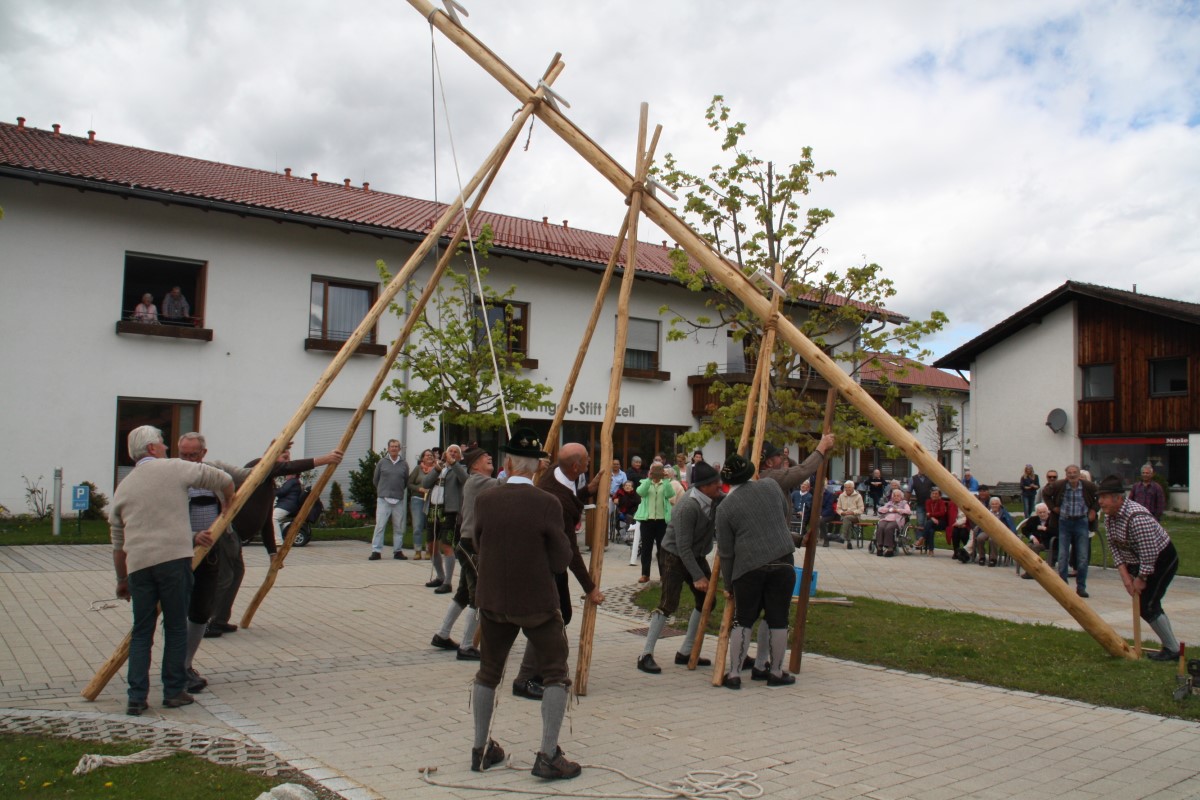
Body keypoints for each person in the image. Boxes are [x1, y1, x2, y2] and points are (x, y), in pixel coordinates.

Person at [469, 428, 581, 780]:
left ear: (507, 462)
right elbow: (562, 557)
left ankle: (480, 748)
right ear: (536, 468)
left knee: (488, 672)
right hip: (536, 601)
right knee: (555, 674)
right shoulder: (547, 502)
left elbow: (476, 540)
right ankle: (548, 754)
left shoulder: (486, 499)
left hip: (493, 599)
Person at [109, 425, 234, 716]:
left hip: (139, 566)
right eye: (163, 443)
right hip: (174, 561)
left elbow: (118, 543)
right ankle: (174, 690)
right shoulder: (174, 468)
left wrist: (121, 580)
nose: (166, 447)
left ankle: (136, 697)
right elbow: (222, 478)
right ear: (152, 448)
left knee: (142, 632)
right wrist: (227, 499)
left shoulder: (124, 486)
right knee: (176, 627)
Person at [208, 440, 343, 635]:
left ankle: (219, 620)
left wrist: (272, 552)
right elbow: (284, 467)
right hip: (228, 532)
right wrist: (324, 459)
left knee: (236, 574)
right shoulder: (257, 466)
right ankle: (207, 621)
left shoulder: (269, 484)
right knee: (226, 577)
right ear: (271, 454)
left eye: (288, 456)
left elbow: (265, 521)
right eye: (282, 455)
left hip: (237, 537)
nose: (286, 460)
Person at [514, 442, 606, 697]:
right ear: (576, 466)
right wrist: (590, 588)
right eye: (586, 460)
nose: (589, 463)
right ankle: (526, 677)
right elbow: (570, 551)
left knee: (561, 614)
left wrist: (588, 490)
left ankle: (545, 669)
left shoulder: (558, 472)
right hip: (541, 563)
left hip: (548, 560)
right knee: (548, 619)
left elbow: (572, 497)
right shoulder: (556, 500)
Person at [715, 454, 797, 689]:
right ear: (751, 472)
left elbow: (726, 552)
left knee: (743, 620)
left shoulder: (725, 508)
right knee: (779, 619)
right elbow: (782, 516)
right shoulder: (771, 486)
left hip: (748, 567)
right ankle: (775, 672)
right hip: (782, 561)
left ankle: (734, 674)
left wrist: (729, 584)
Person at [638, 462, 722, 674]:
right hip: (673, 555)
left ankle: (686, 651)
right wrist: (697, 576)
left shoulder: (713, 499)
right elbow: (683, 547)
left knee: (707, 600)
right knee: (668, 603)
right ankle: (645, 655)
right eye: (714, 483)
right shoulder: (688, 506)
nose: (719, 485)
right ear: (703, 486)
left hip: (695, 554)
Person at [1099, 475, 1181, 662]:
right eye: (1100, 497)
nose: (1100, 502)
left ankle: (1173, 650)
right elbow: (1114, 547)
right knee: (1147, 604)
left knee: (1148, 605)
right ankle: (1171, 647)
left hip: (1161, 559)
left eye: (1104, 497)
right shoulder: (1110, 518)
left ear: (1118, 498)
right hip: (1138, 560)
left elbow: (1150, 553)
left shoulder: (1137, 518)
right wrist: (1126, 578)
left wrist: (1141, 578)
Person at [431, 446, 498, 660]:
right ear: (474, 465)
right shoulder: (478, 480)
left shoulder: (478, 480)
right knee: (479, 594)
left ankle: (442, 634)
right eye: (483, 456)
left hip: (470, 543)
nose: (489, 456)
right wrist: (528, 468)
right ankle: (467, 645)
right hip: (472, 545)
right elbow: (507, 486)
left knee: (462, 592)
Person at [1042, 464, 1099, 598]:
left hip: (1081, 522)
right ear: (1066, 475)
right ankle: (1063, 587)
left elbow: (1100, 496)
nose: (1072, 475)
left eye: (1074, 473)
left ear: (1079, 474)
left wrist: (1093, 510)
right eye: (1069, 473)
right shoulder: (1059, 485)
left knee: (1083, 556)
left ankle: (1081, 587)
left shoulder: (1087, 486)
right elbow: (1045, 493)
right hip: (1064, 522)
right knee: (1063, 555)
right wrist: (1053, 508)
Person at [423, 444, 466, 592]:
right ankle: (440, 576)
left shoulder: (460, 469)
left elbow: (465, 479)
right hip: (433, 510)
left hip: (449, 511)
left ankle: (447, 582)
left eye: (456, 452)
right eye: (450, 451)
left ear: (459, 456)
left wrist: (453, 464)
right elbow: (425, 483)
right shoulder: (438, 467)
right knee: (431, 545)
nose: (452, 453)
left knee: (447, 545)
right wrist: (437, 468)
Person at [369, 439, 409, 560]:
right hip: (383, 499)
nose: (394, 449)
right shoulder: (382, 462)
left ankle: (397, 551)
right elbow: (376, 479)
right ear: (388, 448)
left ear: (399, 449)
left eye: (396, 446)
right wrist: (383, 491)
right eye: (392, 446)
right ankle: (376, 551)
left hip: (398, 500)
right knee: (380, 526)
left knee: (398, 527)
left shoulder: (404, 464)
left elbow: (405, 481)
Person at [634, 463, 674, 583]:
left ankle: (663, 574)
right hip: (647, 521)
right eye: (654, 470)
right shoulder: (645, 483)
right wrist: (649, 478)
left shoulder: (665, 483)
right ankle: (645, 574)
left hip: (662, 521)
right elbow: (640, 492)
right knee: (646, 548)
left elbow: (670, 494)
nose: (656, 472)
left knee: (662, 549)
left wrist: (666, 480)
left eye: (659, 470)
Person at [407, 449, 436, 560]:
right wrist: (419, 489)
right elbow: (409, 483)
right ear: (422, 458)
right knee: (417, 526)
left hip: (431, 500)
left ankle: (428, 550)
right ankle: (418, 551)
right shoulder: (418, 469)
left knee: (430, 526)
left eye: (431, 455)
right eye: (427, 455)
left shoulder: (437, 469)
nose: (429, 457)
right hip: (417, 499)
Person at [974, 496, 1015, 567]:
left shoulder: (1004, 513)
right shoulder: (986, 512)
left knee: (992, 540)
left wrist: (1012, 532)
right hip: (987, 530)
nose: (994, 505)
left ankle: (993, 559)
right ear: (990, 505)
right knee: (980, 538)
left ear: (1000, 504)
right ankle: (982, 557)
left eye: (996, 504)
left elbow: (1010, 523)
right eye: (993, 504)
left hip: (998, 532)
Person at [1017, 502, 1053, 579]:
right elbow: (1025, 530)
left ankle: (1031, 572)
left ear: (1048, 511)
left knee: (1035, 548)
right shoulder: (1033, 519)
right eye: (1040, 512)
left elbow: (1056, 532)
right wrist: (1032, 537)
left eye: (1044, 512)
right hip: (1035, 541)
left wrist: (1045, 529)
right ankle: (1028, 568)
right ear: (1037, 513)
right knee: (1026, 547)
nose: (1042, 514)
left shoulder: (1052, 520)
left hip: (1048, 542)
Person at [874, 488, 910, 557]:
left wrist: (898, 510)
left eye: (898, 496)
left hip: (897, 520)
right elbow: (880, 509)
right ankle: (880, 546)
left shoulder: (904, 503)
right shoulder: (889, 503)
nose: (896, 497)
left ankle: (890, 548)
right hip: (886, 519)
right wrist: (888, 509)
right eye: (894, 496)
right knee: (880, 527)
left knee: (889, 528)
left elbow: (908, 511)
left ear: (901, 497)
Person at [835, 480, 864, 549]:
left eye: (849, 487)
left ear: (853, 488)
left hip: (855, 516)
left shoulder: (858, 496)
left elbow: (861, 509)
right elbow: (838, 508)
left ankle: (843, 536)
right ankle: (849, 542)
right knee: (847, 520)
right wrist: (842, 512)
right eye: (846, 487)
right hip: (844, 516)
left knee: (847, 518)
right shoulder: (841, 496)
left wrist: (853, 512)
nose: (847, 489)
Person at [921, 487, 951, 556]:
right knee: (930, 530)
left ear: (939, 496)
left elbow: (942, 513)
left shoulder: (941, 502)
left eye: (936, 494)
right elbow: (927, 512)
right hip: (932, 523)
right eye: (933, 493)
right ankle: (931, 550)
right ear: (930, 495)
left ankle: (922, 538)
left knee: (929, 522)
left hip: (941, 522)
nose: (934, 495)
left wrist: (931, 515)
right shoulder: (928, 502)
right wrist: (932, 518)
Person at [910, 467, 934, 531]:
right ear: (918, 468)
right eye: (921, 467)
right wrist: (905, 502)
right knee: (920, 523)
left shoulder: (931, 478)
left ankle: (927, 539)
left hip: (930, 505)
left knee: (929, 523)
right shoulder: (913, 479)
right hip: (920, 504)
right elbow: (908, 491)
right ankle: (919, 539)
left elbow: (936, 490)